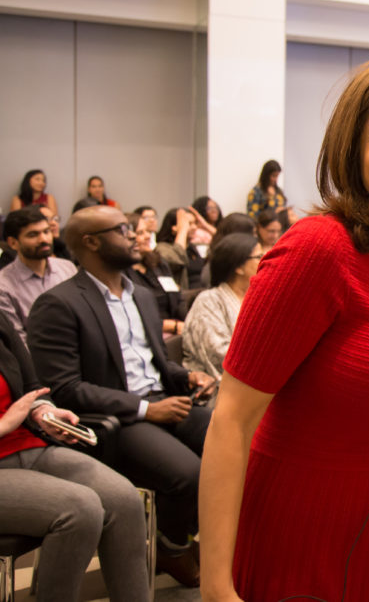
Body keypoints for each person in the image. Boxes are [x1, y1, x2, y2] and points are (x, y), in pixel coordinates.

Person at [199, 55, 369, 602]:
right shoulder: (316, 250)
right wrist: (215, 588)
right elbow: (230, 422)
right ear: (353, 150)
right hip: (298, 524)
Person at [26, 205, 216, 587]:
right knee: (189, 473)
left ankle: (195, 534)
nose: (133, 235)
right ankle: (172, 545)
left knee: (232, 445)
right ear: (91, 242)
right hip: (115, 417)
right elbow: (65, 388)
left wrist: (187, 375)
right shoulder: (60, 303)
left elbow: (153, 361)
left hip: (162, 399)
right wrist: (147, 409)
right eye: (121, 229)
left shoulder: (141, 295)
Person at [0, 311, 150, 602]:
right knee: (80, 510)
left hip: (27, 445)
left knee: (124, 499)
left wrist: (44, 412)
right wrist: (4, 425)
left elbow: (32, 388)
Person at [182, 233, 262, 380]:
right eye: (258, 257)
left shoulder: (256, 297)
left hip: (252, 376)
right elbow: (219, 353)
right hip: (219, 387)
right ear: (239, 267)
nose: (264, 261)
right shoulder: (209, 301)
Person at [0, 207, 76, 343]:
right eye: (33, 235)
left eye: (46, 232)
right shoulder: (4, 286)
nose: (44, 239)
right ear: (13, 243)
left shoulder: (67, 268)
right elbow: (18, 343)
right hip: (38, 359)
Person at [124, 212, 184, 334]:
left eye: (147, 231)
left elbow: (177, 298)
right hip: (148, 332)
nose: (148, 236)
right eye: (140, 233)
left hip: (176, 328)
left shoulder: (159, 263)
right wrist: (172, 326)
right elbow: (134, 316)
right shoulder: (122, 274)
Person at [155, 207, 206, 291]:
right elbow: (178, 259)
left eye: (195, 223)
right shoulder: (162, 247)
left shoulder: (192, 247)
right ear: (173, 228)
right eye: (189, 224)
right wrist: (182, 230)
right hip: (185, 297)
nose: (194, 227)